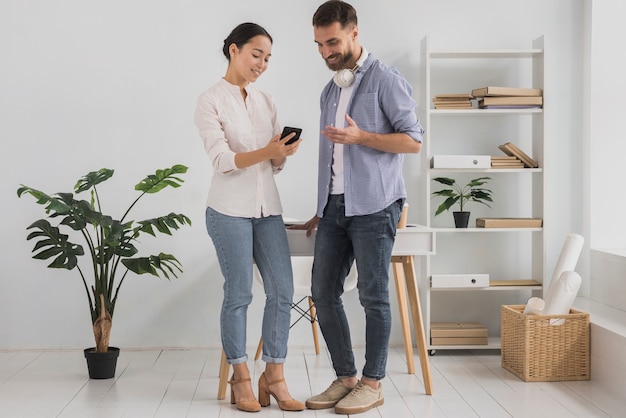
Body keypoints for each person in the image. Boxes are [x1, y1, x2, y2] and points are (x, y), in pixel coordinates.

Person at [297, 1, 424, 415]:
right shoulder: (331, 88)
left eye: (332, 41)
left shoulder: (386, 80)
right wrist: (322, 205)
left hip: (375, 205)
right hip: (335, 207)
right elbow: (328, 158)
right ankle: (347, 377)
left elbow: (413, 141)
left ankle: (373, 382)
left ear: (354, 32)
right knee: (322, 291)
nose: (325, 52)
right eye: (318, 44)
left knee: (373, 295)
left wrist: (363, 138)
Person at [194, 22, 305, 413]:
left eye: (268, 58)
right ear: (234, 50)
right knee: (240, 292)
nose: (262, 63)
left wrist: (281, 153)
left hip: (267, 211)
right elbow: (224, 162)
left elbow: (272, 166)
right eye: (256, 54)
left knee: (282, 291)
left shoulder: (266, 100)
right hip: (227, 211)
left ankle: (273, 375)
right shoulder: (210, 100)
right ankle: (240, 376)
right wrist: (267, 150)